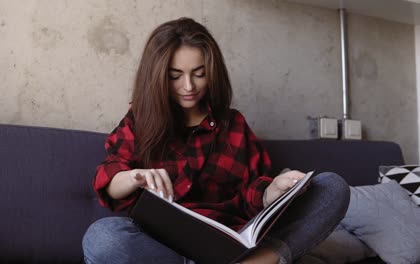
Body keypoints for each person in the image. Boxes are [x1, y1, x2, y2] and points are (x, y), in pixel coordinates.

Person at [82, 17, 350, 264]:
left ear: (212, 71)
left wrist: (274, 190)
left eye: (199, 74)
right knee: (103, 237)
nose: (189, 86)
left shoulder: (232, 124)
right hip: (163, 246)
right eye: (175, 76)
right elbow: (109, 178)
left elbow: (252, 193)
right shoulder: (140, 120)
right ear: (157, 76)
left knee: (332, 188)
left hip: (232, 241)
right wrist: (135, 177)